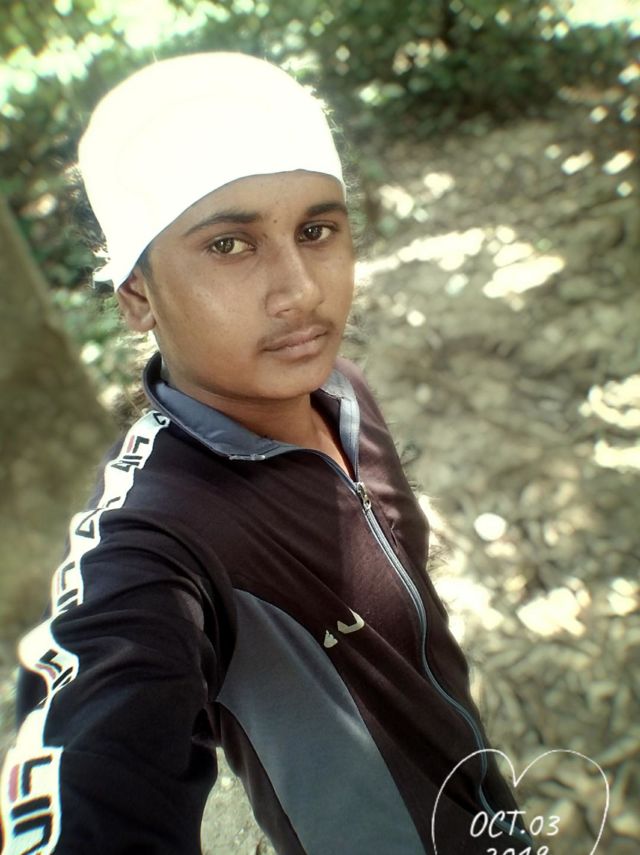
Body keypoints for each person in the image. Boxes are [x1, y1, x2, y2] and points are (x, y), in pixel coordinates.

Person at [0, 53, 530, 854]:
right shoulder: (157, 537)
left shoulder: (342, 393)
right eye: (229, 245)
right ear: (138, 294)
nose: (301, 290)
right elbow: (96, 744)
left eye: (317, 231)